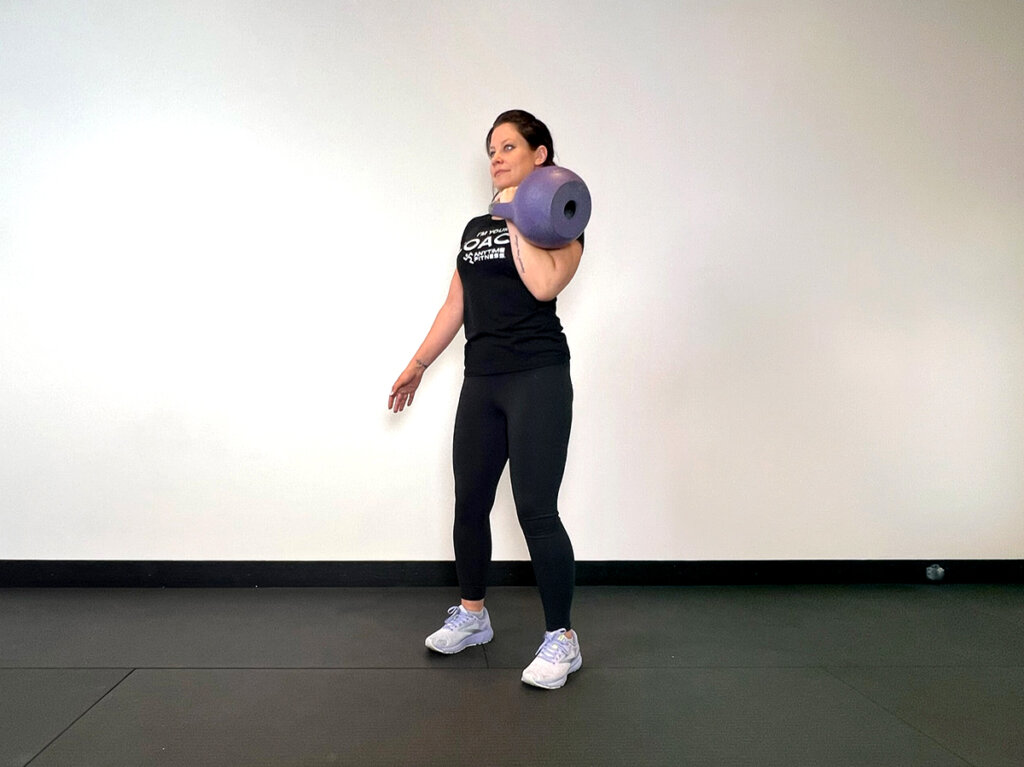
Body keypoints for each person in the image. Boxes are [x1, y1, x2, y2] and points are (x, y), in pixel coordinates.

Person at [388, 110, 585, 690]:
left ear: (540, 154)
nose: (495, 157)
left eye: (507, 147)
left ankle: (562, 640)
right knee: (469, 502)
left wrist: (517, 216)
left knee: (536, 510)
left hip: (538, 377)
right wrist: (418, 363)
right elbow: (457, 304)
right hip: (483, 379)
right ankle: (473, 616)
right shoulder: (476, 228)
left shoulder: (562, 220)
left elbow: (544, 284)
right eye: (490, 150)